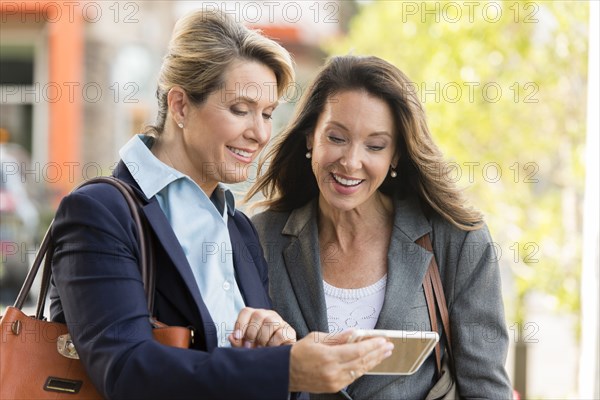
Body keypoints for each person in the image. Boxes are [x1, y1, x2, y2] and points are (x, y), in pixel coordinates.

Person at [49, 13, 393, 400]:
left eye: (266, 114)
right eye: (240, 109)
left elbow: (245, 374)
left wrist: (276, 346)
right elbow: (128, 370)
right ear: (179, 106)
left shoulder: (239, 228)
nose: (260, 133)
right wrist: (285, 368)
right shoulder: (100, 213)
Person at [248, 55, 514, 399]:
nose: (351, 161)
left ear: (396, 156)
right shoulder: (258, 237)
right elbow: (239, 372)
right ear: (310, 137)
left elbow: (485, 387)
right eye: (337, 137)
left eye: (375, 146)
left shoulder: (458, 239)